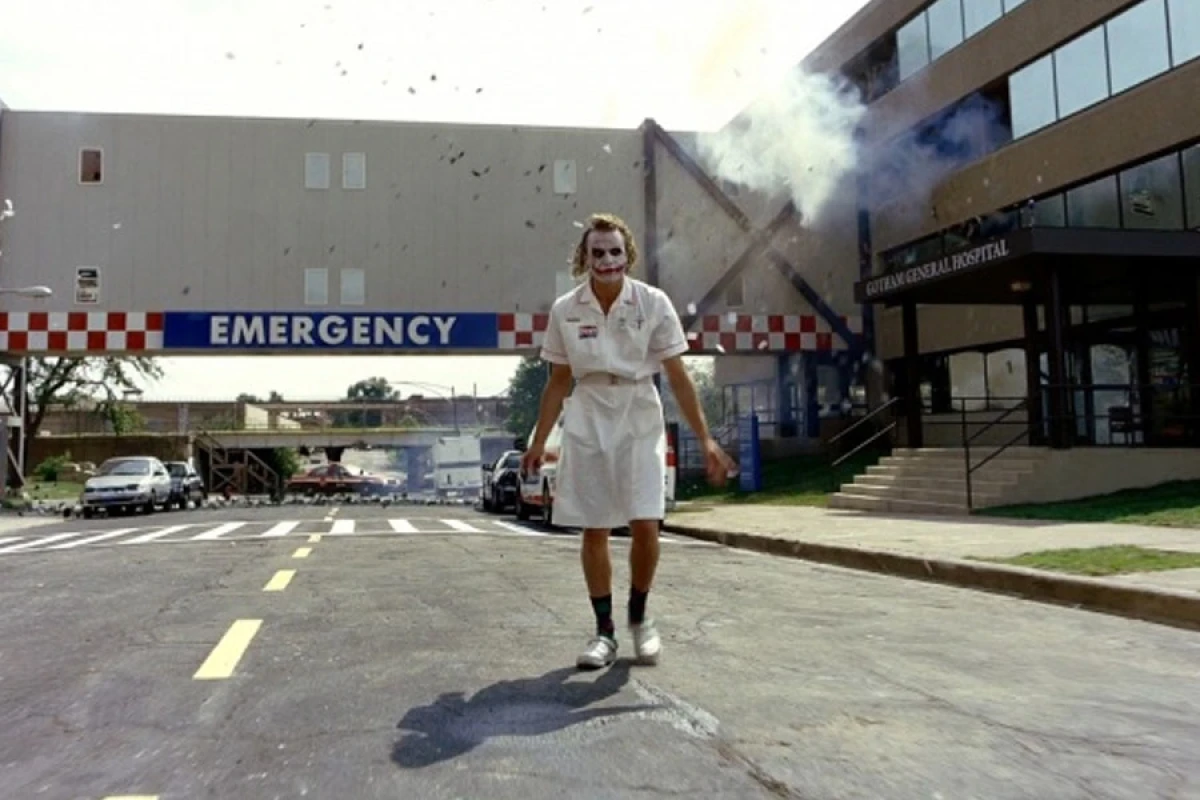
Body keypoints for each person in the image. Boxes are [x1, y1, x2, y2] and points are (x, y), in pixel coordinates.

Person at [521, 212, 736, 670]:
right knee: (595, 526)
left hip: (639, 409)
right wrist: (538, 442)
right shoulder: (565, 310)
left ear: (628, 255)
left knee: (645, 520)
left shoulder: (653, 303)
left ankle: (639, 616)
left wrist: (705, 439)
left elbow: (678, 376)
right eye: (597, 252)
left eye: (615, 251)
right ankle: (604, 633)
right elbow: (557, 382)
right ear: (585, 258)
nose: (607, 260)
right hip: (588, 410)